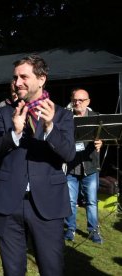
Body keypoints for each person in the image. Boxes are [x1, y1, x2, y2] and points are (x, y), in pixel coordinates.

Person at [0, 55, 76, 276]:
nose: (17, 83)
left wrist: (50, 128)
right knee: (13, 271)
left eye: (24, 77)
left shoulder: (62, 115)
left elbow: (68, 154)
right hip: (8, 203)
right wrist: (13, 134)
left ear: (41, 79)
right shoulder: (4, 113)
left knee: (51, 269)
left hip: (48, 203)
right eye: (15, 77)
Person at [64, 88, 103, 244]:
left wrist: (101, 142)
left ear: (88, 101)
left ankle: (93, 231)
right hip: (71, 166)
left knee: (92, 201)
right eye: (75, 100)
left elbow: (104, 136)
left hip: (90, 166)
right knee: (70, 201)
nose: (77, 103)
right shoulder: (66, 117)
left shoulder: (96, 117)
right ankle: (70, 229)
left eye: (81, 100)